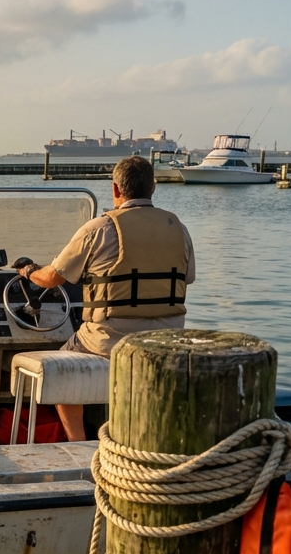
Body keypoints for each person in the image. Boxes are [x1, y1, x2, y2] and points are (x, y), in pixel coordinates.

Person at [17, 155, 195, 441]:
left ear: (115, 189)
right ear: (153, 187)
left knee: (64, 368)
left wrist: (27, 271)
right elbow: (187, 278)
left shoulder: (99, 229)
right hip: (166, 339)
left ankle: (79, 445)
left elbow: (52, 279)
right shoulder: (179, 229)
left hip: (108, 341)